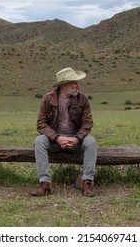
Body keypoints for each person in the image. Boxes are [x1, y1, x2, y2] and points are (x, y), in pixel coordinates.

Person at [31, 67, 97, 197]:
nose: (79, 86)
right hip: (54, 141)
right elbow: (41, 124)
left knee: (91, 142)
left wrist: (77, 139)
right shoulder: (47, 99)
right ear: (65, 85)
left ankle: (87, 182)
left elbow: (87, 123)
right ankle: (44, 184)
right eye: (75, 83)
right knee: (39, 141)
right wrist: (57, 138)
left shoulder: (82, 99)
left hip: (76, 140)